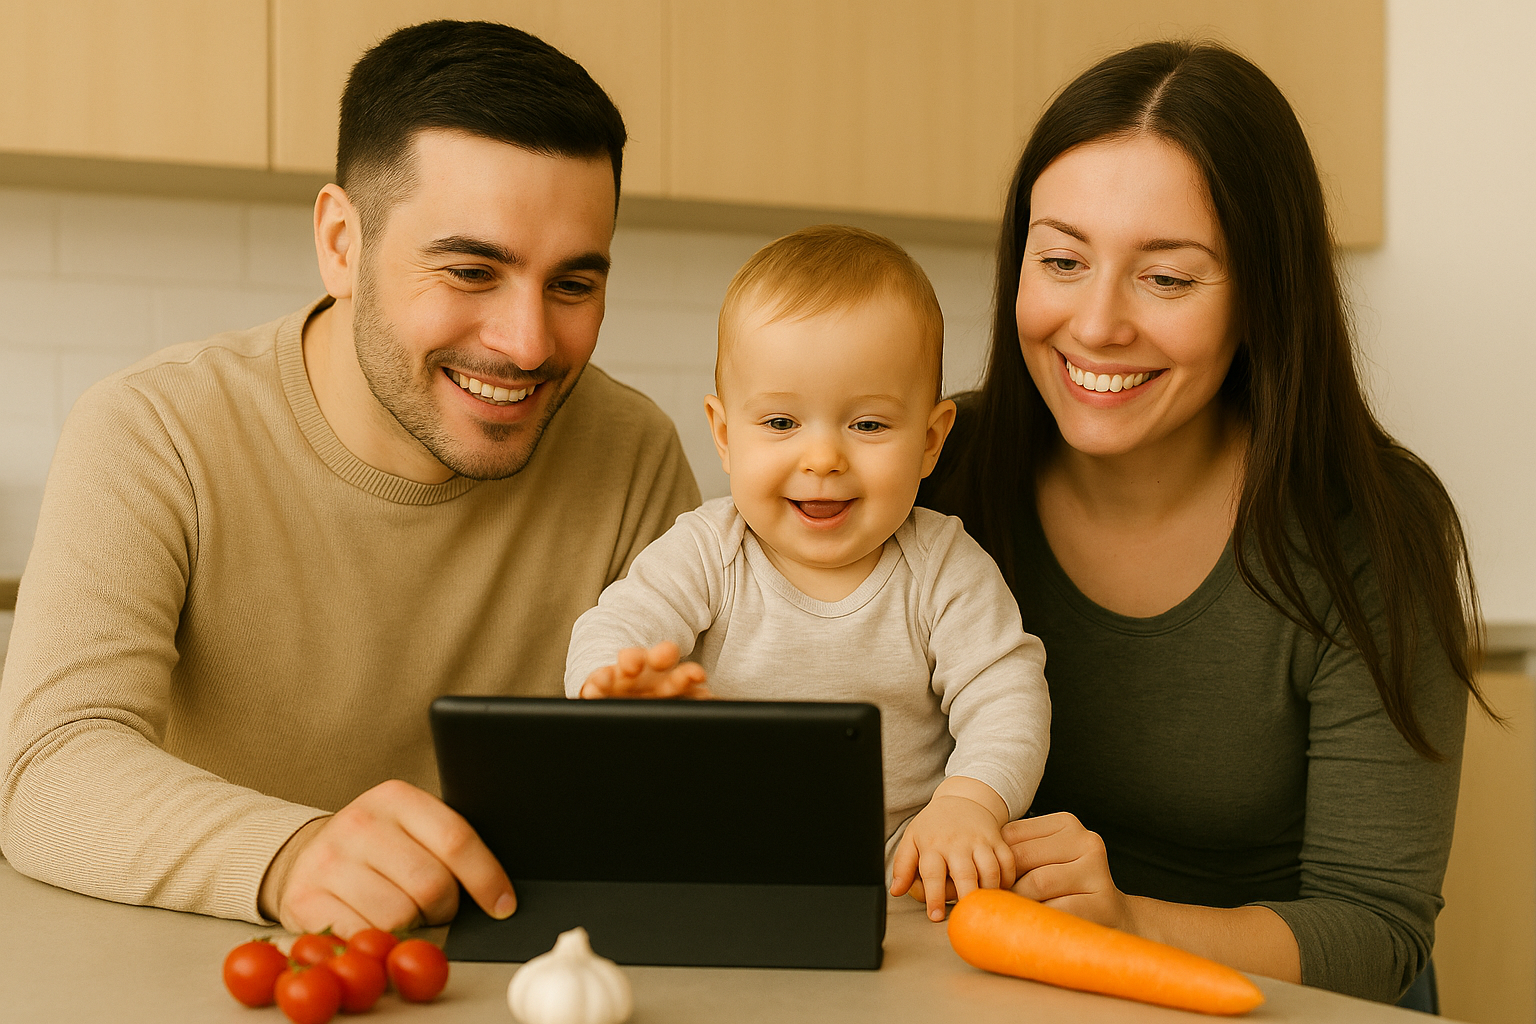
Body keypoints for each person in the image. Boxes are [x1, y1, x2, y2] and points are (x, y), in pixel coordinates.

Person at [0, 21, 699, 936]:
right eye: (470, 270)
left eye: (573, 285)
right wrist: (289, 856)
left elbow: (697, 791)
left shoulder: (632, 450)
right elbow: (48, 767)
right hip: (212, 969)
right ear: (341, 242)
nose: (528, 344)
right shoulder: (155, 431)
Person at [919, 41, 1486, 1004]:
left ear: (1264, 299)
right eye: (1060, 260)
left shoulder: (1370, 526)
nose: (1096, 324)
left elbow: (1377, 930)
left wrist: (1130, 922)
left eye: (1167, 279)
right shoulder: (938, 467)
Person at [564, 225, 1051, 921]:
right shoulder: (706, 550)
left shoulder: (945, 567)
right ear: (726, 435)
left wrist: (969, 802)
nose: (822, 458)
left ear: (932, 440)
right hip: (718, 857)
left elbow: (1006, 695)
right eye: (783, 422)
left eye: (870, 426)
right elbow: (616, 622)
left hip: (900, 860)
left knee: (970, 906)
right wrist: (613, 686)